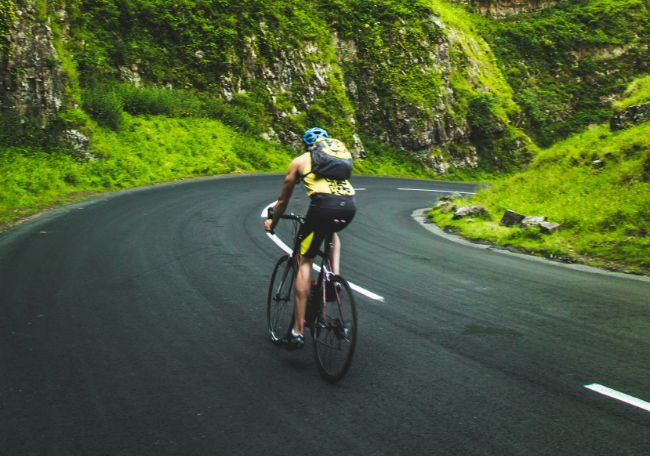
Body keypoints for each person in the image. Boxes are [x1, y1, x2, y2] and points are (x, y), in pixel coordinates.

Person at [264, 127, 356, 349]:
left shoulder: (300, 161)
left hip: (323, 207)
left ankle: (297, 332)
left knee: (305, 261)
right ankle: (333, 279)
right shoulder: (336, 162)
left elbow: (282, 202)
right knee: (330, 232)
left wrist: (272, 223)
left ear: (306, 146)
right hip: (349, 207)